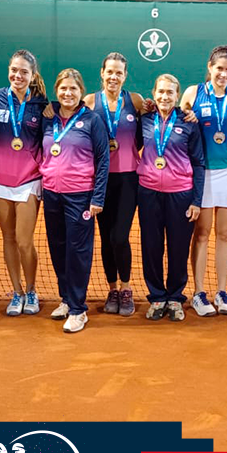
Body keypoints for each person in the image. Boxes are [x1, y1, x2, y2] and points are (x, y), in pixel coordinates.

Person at [40, 68, 109, 333]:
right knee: (58, 248)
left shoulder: (92, 120)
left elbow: (103, 160)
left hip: (80, 196)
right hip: (52, 194)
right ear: (56, 91)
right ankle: (67, 299)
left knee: (78, 252)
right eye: (63, 88)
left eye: (73, 89)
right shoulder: (49, 118)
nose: (68, 93)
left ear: (81, 92)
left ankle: (79, 310)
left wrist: (98, 196)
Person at [180, 44, 227, 316]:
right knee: (202, 233)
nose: (224, 74)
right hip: (202, 171)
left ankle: (221, 291)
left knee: (225, 234)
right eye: (219, 68)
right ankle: (198, 292)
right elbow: (178, 124)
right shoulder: (193, 93)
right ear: (210, 67)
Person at [137, 74, 204, 321]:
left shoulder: (188, 122)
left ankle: (175, 297)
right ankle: (157, 297)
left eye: (170, 92)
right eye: (161, 92)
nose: (165, 96)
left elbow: (198, 162)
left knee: (178, 248)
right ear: (154, 94)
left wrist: (196, 200)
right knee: (151, 247)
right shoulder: (144, 120)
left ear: (177, 96)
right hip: (148, 193)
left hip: (181, 194)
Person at [84, 52, 144, 317]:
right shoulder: (89, 102)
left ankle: (126, 287)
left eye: (119, 72)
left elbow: (152, 126)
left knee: (120, 236)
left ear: (125, 75)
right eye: (110, 71)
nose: (114, 77)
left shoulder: (136, 101)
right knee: (106, 238)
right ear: (102, 72)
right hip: (100, 180)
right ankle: (112, 289)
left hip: (128, 179)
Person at [0, 49, 47, 316]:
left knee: (24, 241)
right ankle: (17, 292)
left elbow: (45, 140)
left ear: (33, 75)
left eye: (24, 71)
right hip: (0, 180)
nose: (18, 75)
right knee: (8, 238)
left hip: (28, 180)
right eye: (14, 70)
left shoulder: (42, 105)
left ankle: (32, 290)